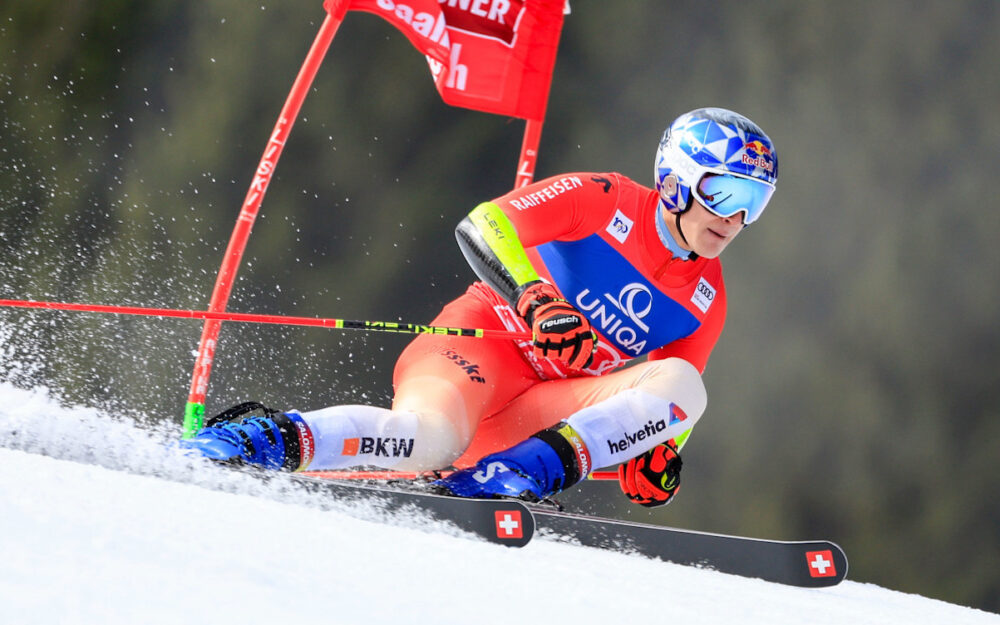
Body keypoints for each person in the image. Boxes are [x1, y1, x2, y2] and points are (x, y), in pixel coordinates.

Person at [182, 107, 778, 507]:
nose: (735, 218)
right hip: (477, 351)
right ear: (676, 181)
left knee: (686, 385)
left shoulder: (708, 297)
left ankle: (513, 477)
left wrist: (657, 457)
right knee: (427, 439)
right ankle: (255, 440)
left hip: (538, 417)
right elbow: (485, 223)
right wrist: (536, 298)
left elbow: (670, 403)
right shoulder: (603, 199)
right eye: (724, 191)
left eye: (755, 201)